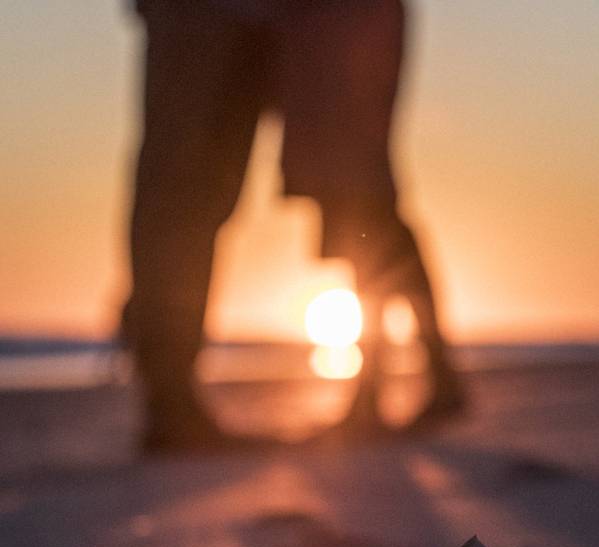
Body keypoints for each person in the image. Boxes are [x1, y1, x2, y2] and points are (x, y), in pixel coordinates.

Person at [124, 0, 463, 452]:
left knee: (358, 194)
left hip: (323, 17)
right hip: (215, 15)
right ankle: (168, 399)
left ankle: (394, 386)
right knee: (183, 192)